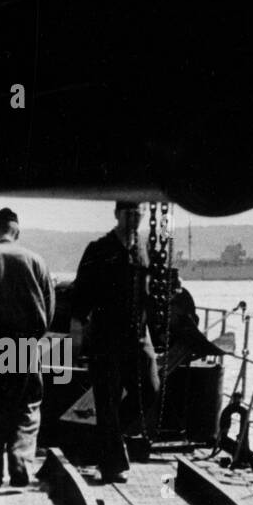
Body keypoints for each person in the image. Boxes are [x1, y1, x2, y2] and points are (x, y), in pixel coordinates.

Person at [71, 200, 159, 484]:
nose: (135, 217)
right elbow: (81, 294)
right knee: (107, 401)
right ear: (117, 214)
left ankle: (113, 436)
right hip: (106, 337)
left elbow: (150, 291)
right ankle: (111, 465)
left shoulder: (144, 248)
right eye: (129, 212)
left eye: (139, 213)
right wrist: (77, 336)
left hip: (138, 336)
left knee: (151, 390)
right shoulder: (99, 249)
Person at [0, 208, 55, 494]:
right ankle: (20, 461)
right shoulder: (35, 261)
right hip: (23, 344)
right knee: (27, 407)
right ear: (16, 232)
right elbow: (50, 309)